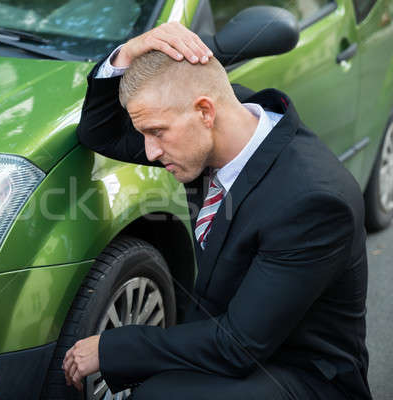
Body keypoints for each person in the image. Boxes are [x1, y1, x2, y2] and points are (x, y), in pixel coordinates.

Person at [62, 22, 371, 399]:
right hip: (237, 341)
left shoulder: (312, 203)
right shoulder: (215, 127)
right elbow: (99, 133)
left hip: (300, 373)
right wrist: (126, 54)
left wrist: (110, 348)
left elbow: (238, 346)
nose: (149, 152)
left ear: (205, 112)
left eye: (156, 132)